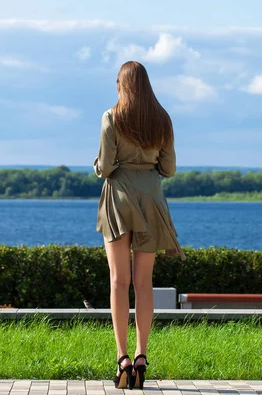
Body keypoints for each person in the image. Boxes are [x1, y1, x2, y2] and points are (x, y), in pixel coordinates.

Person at [93, 61, 186, 390]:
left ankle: (122, 360)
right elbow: (170, 168)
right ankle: (142, 356)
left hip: (118, 197)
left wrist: (107, 164)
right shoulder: (162, 120)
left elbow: (104, 167)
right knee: (143, 283)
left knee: (119, 281)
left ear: (122, 84)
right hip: (152, 199)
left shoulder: (111, 117)